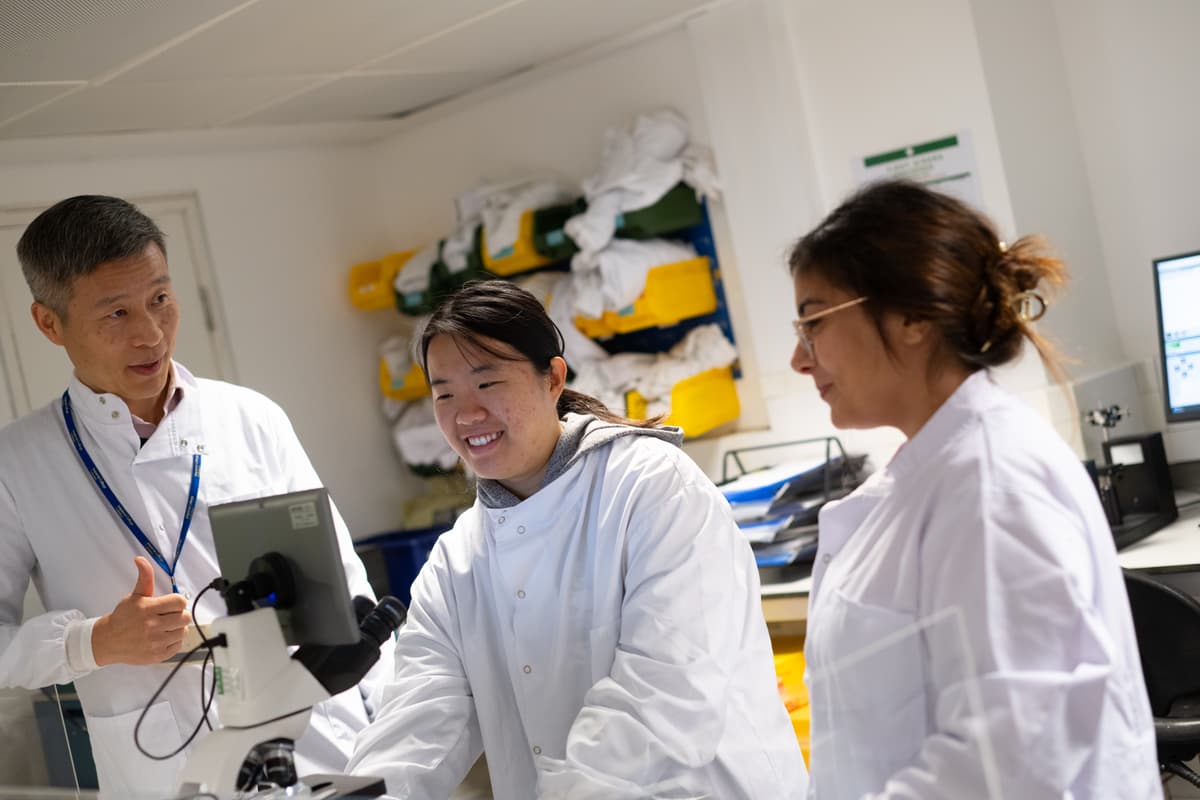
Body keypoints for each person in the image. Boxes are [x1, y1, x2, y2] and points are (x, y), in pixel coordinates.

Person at [347, 279, 807, 799]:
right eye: (444, 393)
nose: (465, 414)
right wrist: (362, 793)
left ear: (552, 378)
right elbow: (419, 716)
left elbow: (669, 687)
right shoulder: (457, 561)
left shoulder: (649, 486)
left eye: (488, 383)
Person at [0, 195, 393, 796]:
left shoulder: (249, 416)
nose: (151, 333)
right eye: (116, 314)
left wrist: (390, 740)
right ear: (49, 323)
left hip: (318, 748)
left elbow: (347, 592)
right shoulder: (18, 463)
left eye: (160, 299)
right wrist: (92, 643)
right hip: (164, 768)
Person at [788, 180, 1159, 798]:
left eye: (812, 323)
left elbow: (1012, 764)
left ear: (911, 316)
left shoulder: (992, 485)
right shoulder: (937, 470)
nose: (800, 360)